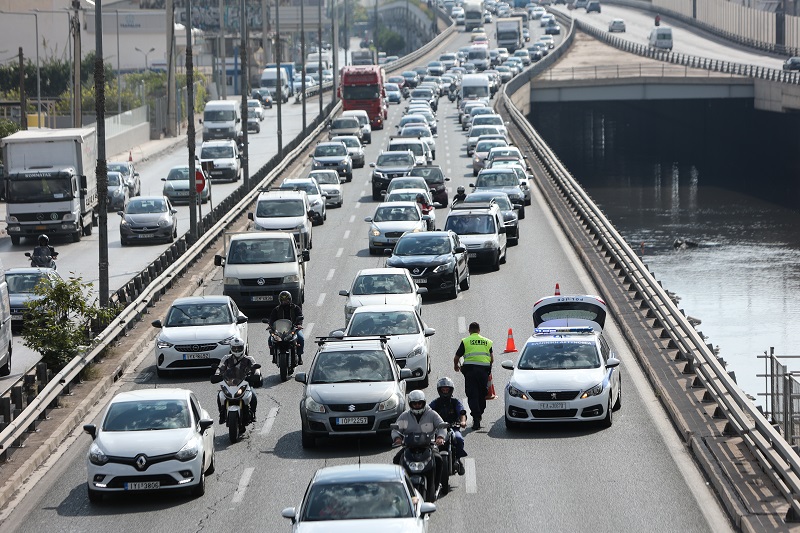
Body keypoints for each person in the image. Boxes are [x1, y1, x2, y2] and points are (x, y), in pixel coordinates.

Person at [392, 390, 446, 494]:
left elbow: (442, 426)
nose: (417, 405)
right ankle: (400, 487)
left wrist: (440, 437)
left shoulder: (432, 414)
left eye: (419, 403)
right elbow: (396, 429)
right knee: (396, 459)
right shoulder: (404, 416)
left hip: (429, 446)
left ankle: (436, 484)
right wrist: (397, 438)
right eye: (414, 403)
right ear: (410, 404)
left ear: (424, 402)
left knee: (438, 459)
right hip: (409, 447)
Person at [454, 322, 493, 429]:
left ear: (469, 331)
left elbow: (457, 357)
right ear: (479, 330)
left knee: (472, 394)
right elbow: (491, 359)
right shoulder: (487, 342)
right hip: (483, 372)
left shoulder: (466, 341)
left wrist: (456, 366)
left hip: (470, 371)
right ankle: (479, 412)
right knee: (482, 394)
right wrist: (488, 370)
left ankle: (476, 417)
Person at [213, 336, 259, 424]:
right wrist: (217, 375)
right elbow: (220, 368)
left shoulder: (249, 359)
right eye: (235, 348)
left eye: (239, 348)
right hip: (229, 383)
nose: (237, 350)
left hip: (245, 382)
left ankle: (253, 413)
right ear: (231, 348)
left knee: (253, 395)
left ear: (243, 347)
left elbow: (255, 368)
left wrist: (255, 375)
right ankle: (222, 414)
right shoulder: (226, 358)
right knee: (220, 395)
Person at [428, 376, 467, 474]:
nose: (445, 391)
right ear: (439, 390)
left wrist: (463, 422)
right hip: (438, 429)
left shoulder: (455, 402)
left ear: (451, 390)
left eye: (447, 389)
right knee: (429, 442)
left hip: (452, 427)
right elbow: (427, 412)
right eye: (443, 389)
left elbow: (462, 413)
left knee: (458, 438)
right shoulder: (435, 403)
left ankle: (457, 459)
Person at [267, 290, 305, 365]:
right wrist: (270, 325)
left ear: (290, 299)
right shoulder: (276, 309)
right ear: (280, 300)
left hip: (293, 328)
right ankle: (274, 356)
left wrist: (299, 324)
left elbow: (299, 316)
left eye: (286, 300)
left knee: (301, 338)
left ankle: (300, 356)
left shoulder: (295, 308)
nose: (285, 301)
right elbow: (272, 319)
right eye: (283, 300)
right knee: (270, 339)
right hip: (280, 330)